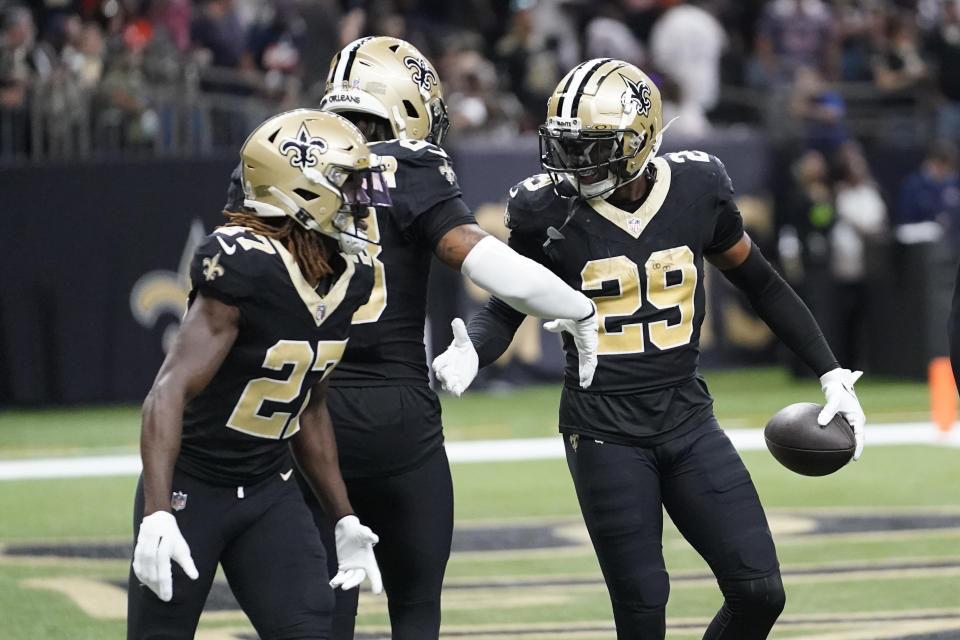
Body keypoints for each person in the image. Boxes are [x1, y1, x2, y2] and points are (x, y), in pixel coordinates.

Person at [432, 59, 867, 640]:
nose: (572, 163)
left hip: (688, 419)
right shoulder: (546, 210)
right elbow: (508, 308)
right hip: (603, 430)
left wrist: (830, 371)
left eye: (591, 147)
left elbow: (761, 282)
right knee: (642, 611)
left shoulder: (697, 188)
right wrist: (474, 352)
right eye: (567, 146)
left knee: (759, 592)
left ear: (638, 141)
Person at [226, 36, 599, 640]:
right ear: (400, 102)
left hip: (306, 416)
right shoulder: (412, 167)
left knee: (323, 615)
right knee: (418, 612)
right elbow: (475, 256)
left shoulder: (276, 153)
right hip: (403, 422)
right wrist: (576, 308)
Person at [128, 109, 385, 640]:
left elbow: (308, 404)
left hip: (269, 487)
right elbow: (168, 389)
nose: (361, 200)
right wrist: (157, 512)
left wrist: (342, 516)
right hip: (191, 489)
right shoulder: (245, 264)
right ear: (300, 191)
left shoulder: (349, 276)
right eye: (348, 184)